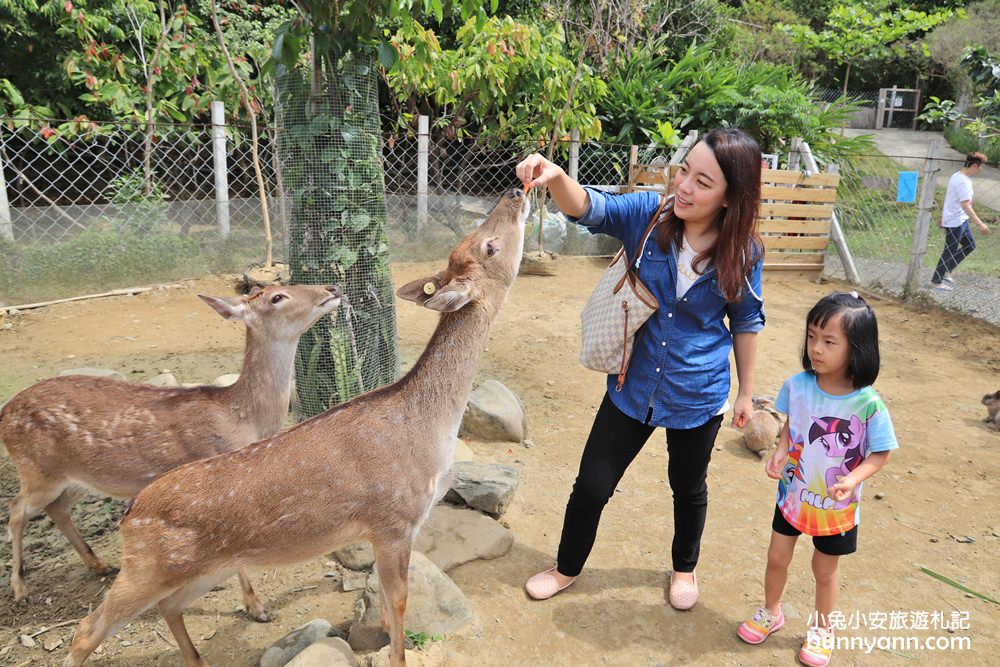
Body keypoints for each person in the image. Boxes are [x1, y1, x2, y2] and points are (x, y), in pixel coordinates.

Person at [516, 128, 765, 610]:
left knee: (688, 487)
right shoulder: (651, 216)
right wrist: (557, 177)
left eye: (703, 181)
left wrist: (746, 392)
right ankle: (566, 567)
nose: (685, 187)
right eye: (684, 171)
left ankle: (684, 568)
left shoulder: (745, 252)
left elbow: (746, 321)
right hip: (633, 384)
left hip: (698, 394)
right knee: (592, 484)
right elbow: (592, 207)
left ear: (732, 196)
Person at [737, 292, 897, 667]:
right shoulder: (797, 385)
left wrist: (853, 478)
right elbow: (794, 422)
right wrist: (780, 449)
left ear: (857, 349)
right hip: (793, 496)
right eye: (811, 337)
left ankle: (823, 628)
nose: (816, 349)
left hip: (836, 507)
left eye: (829, 341)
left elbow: (881, 452)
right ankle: (770, 611)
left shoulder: (868, 404)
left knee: (824, 570)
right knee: (777, 556)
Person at [930, 151, 991, 290]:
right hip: (954, 221)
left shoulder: (959, 176)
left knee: (970, 245)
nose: (981, 169)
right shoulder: (961, 181)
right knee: (950, 250)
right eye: (981, 166)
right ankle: (937, 280)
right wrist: (980, 224)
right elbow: (966, 205)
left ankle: (946, 271)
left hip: (961, 219)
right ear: (975, 165)